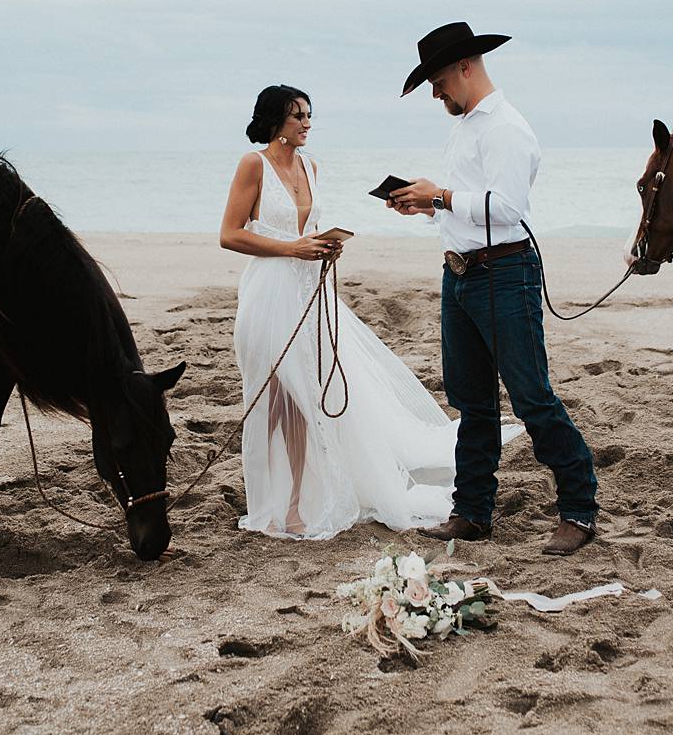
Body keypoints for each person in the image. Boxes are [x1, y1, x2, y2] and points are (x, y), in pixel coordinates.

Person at [219, 83, 522, 540]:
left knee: (309, 402)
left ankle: (298, 502)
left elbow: (309, 231)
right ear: (274, 121)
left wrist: (323, 249)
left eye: (308, 114)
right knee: (278, 402)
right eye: (298, 115)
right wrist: (291, 248)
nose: (306, 123)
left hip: (310, 291)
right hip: (268, 295)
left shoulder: (311, 167)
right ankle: (273, 501)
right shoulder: (252, 165)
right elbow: (229, 234)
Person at [389, 22, 599, 555]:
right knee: (471, 402)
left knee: (531, 397)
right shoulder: (464, 127)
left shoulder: (505, 126)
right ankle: (474, 511)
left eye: (437, 80)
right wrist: (425, 203)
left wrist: (442, 195)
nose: (435, 93)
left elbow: (507, 209)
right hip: (460, 273)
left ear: (465, 66)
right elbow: (466, 205)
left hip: (505, 275)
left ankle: (578, 508)